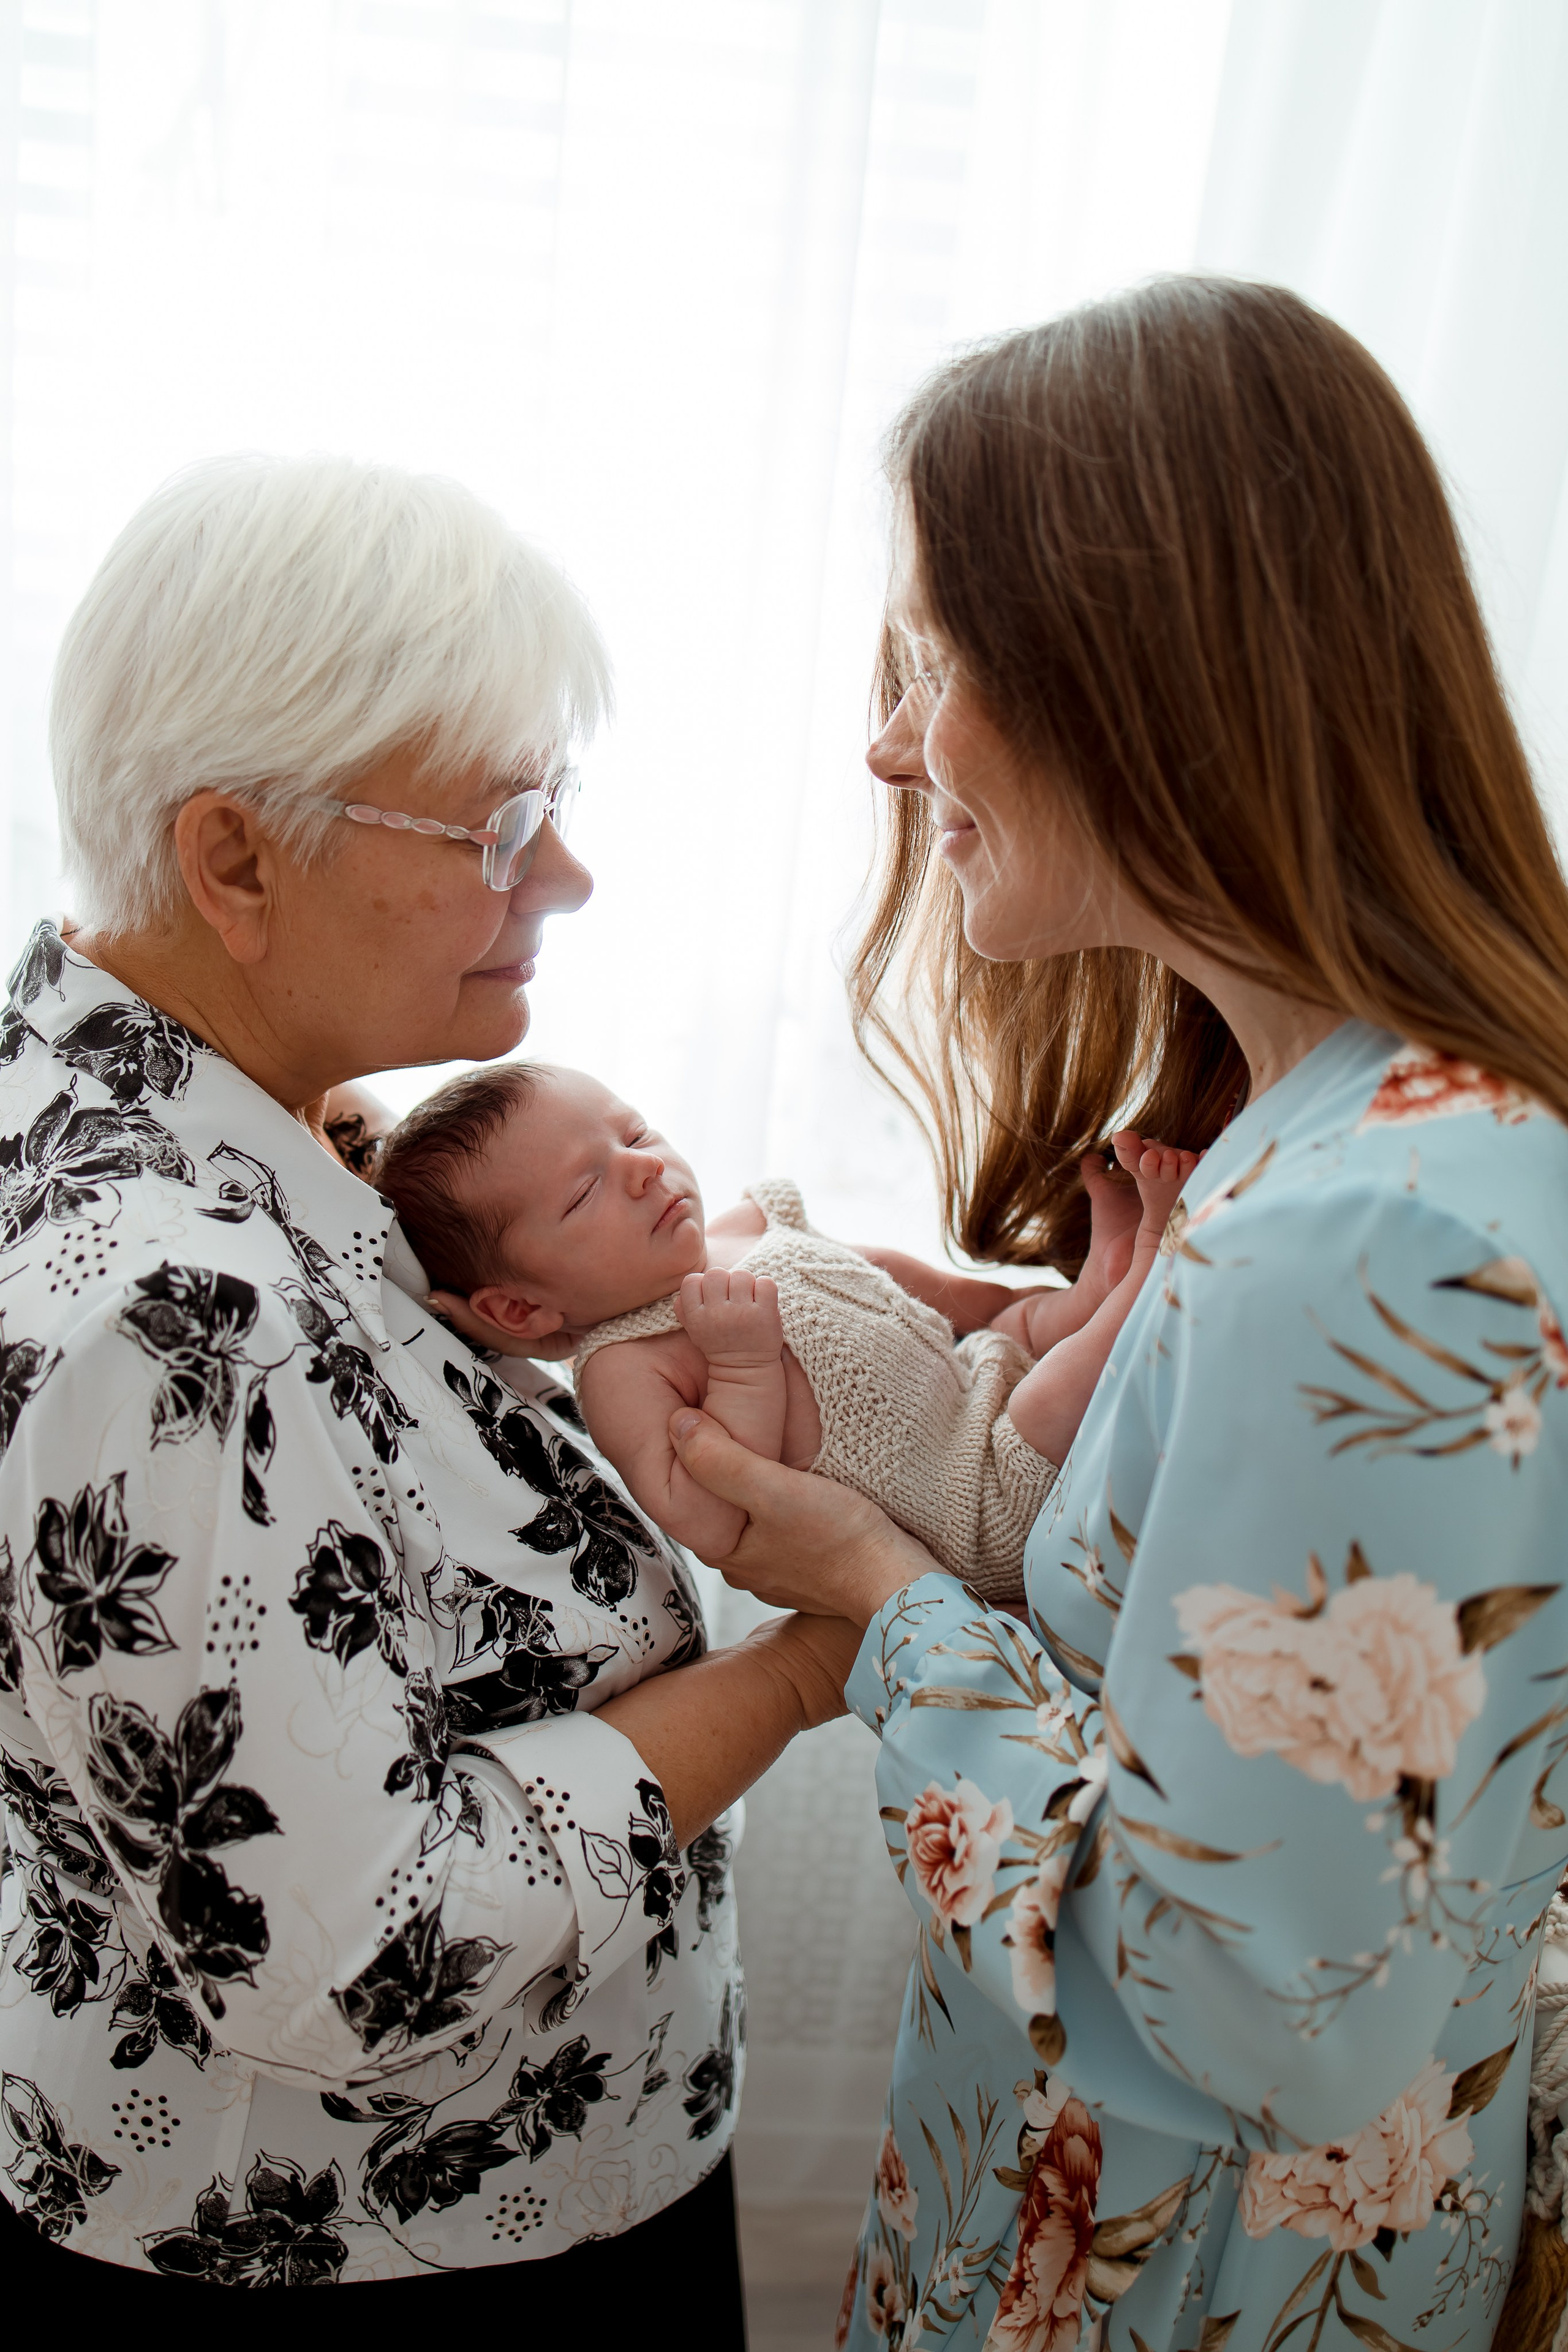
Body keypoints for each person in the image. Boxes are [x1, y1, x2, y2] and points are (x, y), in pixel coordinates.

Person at [657, 279, 1568, 2349]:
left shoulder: (1362, 1235)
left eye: (936, 662)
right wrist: (1050, 1355)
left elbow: (1255, 2008)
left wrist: (884, 1609)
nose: (894, 740)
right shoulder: (1343, 1142)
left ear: (1133, 675)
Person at [0, 453, 859, 2318]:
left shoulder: (244, 1120)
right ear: (233, 857)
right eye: (496, 825)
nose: (565, 873)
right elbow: (358, 1955)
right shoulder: (168, 1316)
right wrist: (804, 1667)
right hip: (367, 2245)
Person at [374, 1060, 1197, 1597]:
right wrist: (741, 1366)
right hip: (976, 1513)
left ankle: (1100, 1279)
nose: (642, 1168)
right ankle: (1155, 1258)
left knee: (1019, 1325)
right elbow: (715, 1522)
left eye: (633, 1133)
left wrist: (969, 1302)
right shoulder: (624, 1366)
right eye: (584, 1193)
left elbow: (889, 1280)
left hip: (976, 1383)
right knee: (1051, 1395)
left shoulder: (743, 1224)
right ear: (522, 1309)